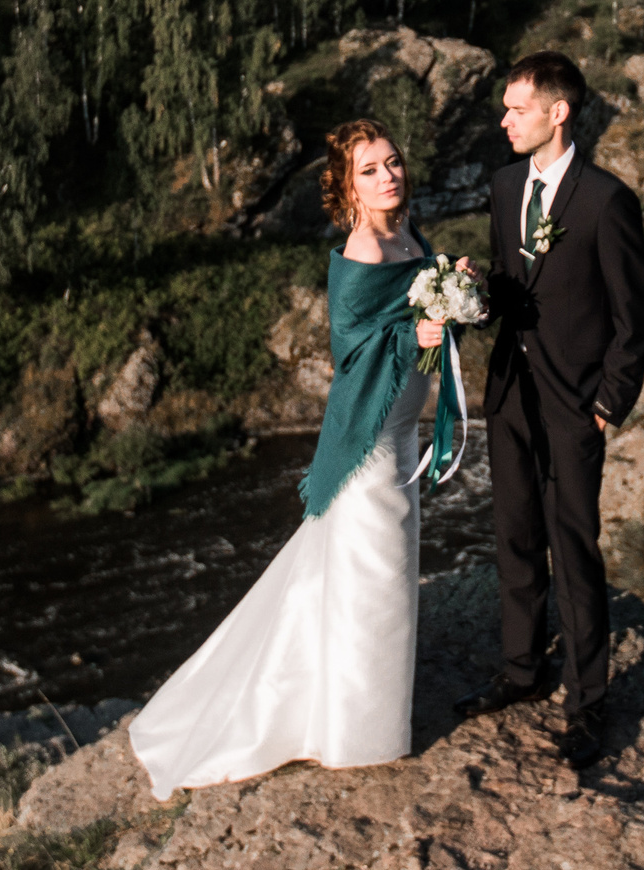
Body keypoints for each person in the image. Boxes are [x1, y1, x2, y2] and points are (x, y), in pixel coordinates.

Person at [129, 120, 441, 798]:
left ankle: (361, 707)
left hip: (403, 427)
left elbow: (423, 294)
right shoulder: (361, 249)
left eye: (393, 162)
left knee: (382, 567)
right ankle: (361, 731)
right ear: (347, 186)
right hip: (368, 435)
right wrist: (415, 331)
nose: (389, 175)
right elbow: (354, 351)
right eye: (370, 170)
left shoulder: (410, 230)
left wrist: (451, 292)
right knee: (375, 573)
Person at [454, 50, 644, 768]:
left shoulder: (606, 201)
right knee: (513, 536)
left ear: (557, 112)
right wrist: (469, 296)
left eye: (516, 109)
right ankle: (520, 670)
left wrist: (607, 404)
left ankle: (589, 704)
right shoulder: (505, 186)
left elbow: (636, 320)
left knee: (574, 552)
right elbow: (514, 290)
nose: (504, 120)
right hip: (510, 394)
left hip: (575, 405)